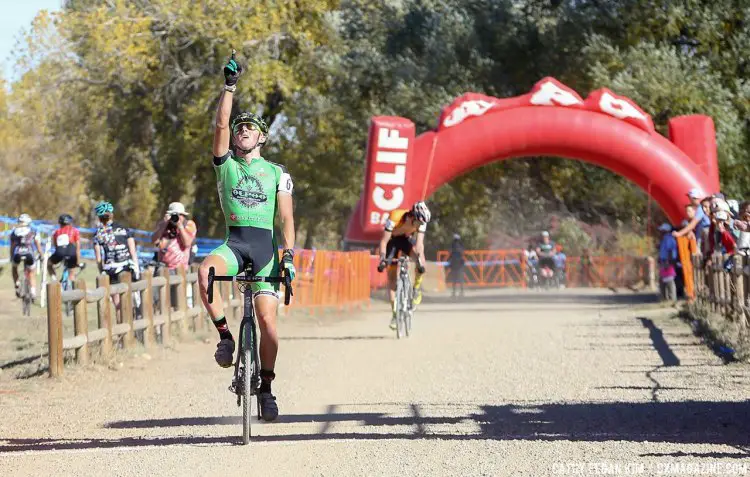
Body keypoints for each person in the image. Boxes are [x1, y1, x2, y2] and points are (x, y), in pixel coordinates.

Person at [197, 52, 296, 422]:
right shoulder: (227, 166)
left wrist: (288, 255)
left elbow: (285, 217)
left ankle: (267, 387)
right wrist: (229, 87)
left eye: (250, 127)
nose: (242, 130)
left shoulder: (276, 172)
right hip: (235, 243)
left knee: (268, 323)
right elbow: (221, 124)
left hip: (265, 248)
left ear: (263, 137)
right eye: (240, 128)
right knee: (206, 270)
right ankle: (226, 337)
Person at [376, 201, 431, 329]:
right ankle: (395, 314)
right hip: (392, 241)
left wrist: (418, 261)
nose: (421, 226)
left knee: (421, 260)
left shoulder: (422, 223)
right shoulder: (395, 216)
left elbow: (419, 244)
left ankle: (416, 289)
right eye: (419, 223)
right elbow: (384, 241)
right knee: (392, 279)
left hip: (406, 240)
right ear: (412, 217)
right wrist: (383, 259)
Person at [92, 201, 140, 317]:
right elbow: (133, 251)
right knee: (130, 302)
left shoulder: (98, 234)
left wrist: (102, 272)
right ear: (111, 214)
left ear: (98, 217)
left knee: (118, 306)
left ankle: (121, 334)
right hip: (126, 268)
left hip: (110, 270)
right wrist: (136, 267)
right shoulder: (124, 229)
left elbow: (99, 258)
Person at [151, 202, 197, 272]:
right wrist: (164, 225)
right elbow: (154, 241)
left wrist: (180, 227)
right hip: (163, 268)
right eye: (173, 215)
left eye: (179, 215)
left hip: (180, 269)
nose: (176, 217)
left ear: (183, 215)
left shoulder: (189, 225)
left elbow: (187, 243)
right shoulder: (163, 225)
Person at [10, 214, 42, 299]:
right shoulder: (33, 230)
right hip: (29, 253)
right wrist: (41, 254)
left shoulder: (14, 231)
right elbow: (37, 244)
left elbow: (12, 246)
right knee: (32, 272)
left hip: (17, 253)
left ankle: (17, 283)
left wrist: (11, 256)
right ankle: (33, 292)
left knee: (14, 267)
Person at [47, 214, 82, 282]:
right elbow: (78, 248)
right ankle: (72, 287)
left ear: (60, 223)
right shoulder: (75, 231)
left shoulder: (57, 232)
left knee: (48, 264)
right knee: (71, 273)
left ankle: (54, 280)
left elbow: (56, 246)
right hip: (72, 252)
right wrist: (78, 261)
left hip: (60, 252)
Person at [657, 223, 678, 302]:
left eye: (662, 230)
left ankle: (672, 298)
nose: (660, 231)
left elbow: (669, 251)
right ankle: (665, 298)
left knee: (669, 280)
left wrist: (667, 262)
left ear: (665, 231)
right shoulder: (664, 239)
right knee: (663, 280)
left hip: (667, 261)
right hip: (664, 261)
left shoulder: (668, 239)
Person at [447, 233, 465, 298]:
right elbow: (463, 253)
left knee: (455, 279)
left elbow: (449, 253)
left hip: (455, 264)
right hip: (459, 264)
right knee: (460, 279)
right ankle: (460, 292)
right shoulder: (460, 245)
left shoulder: (452, 246)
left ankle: (455, 292)